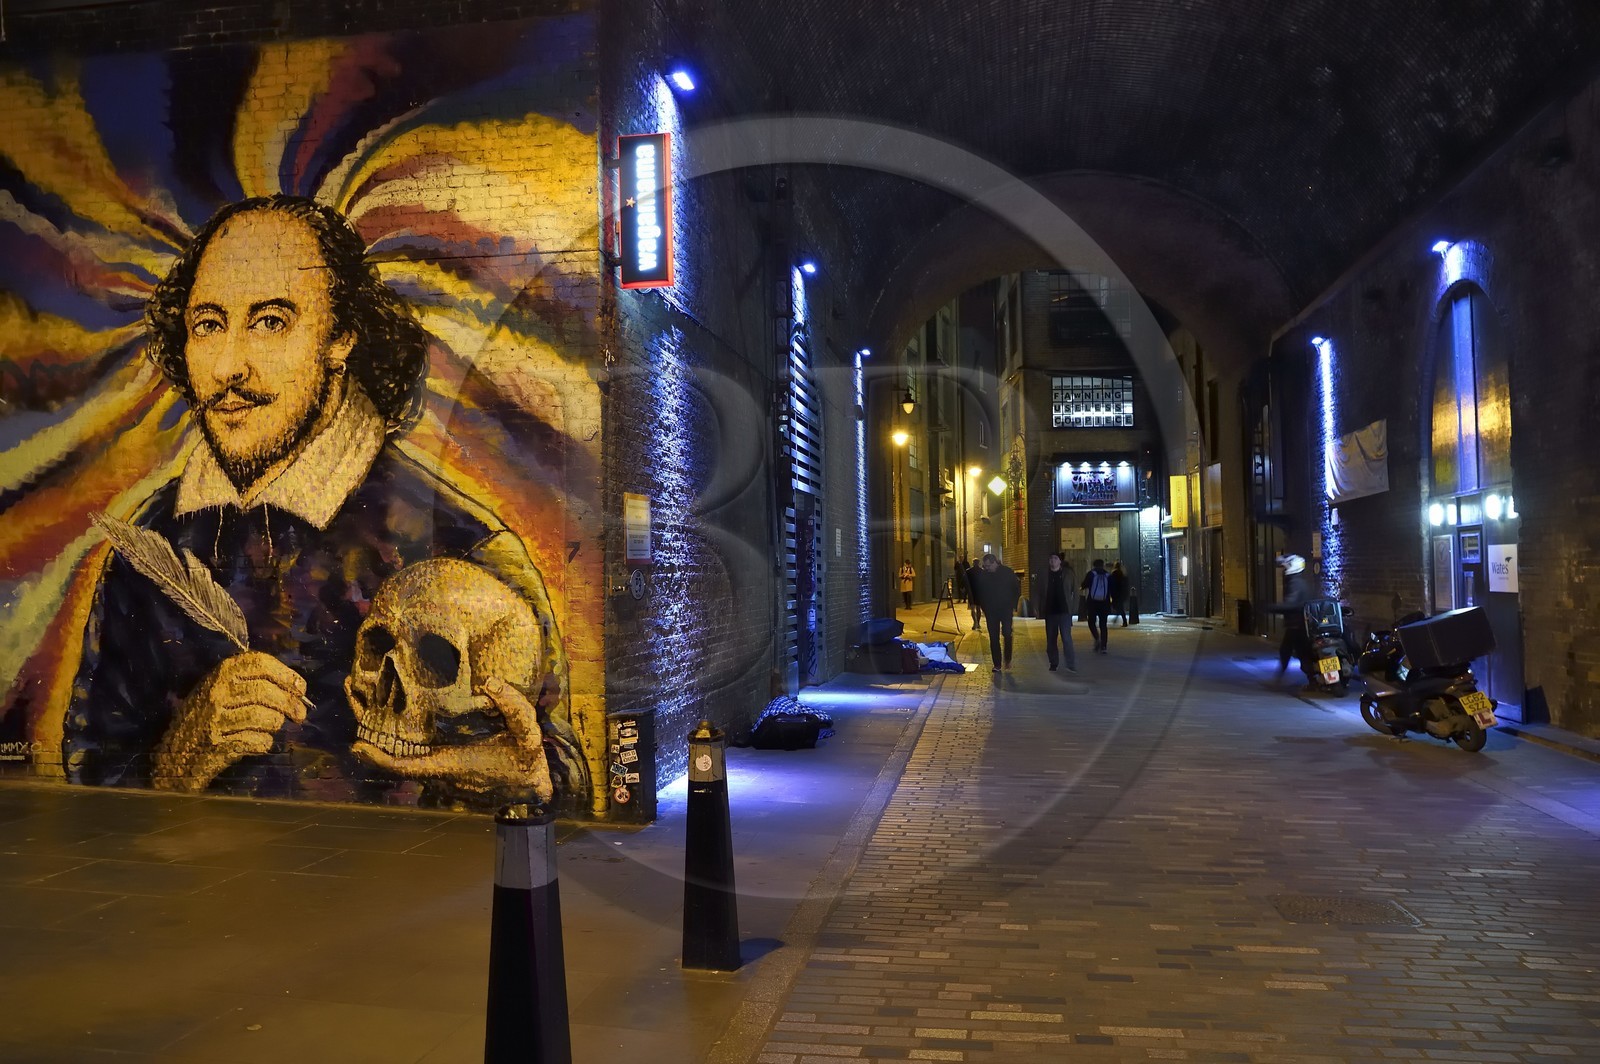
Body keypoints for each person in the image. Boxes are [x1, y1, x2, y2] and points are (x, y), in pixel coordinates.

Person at [65, 195, 587, 808]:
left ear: (341, 337)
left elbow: (560, 778)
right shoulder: (147, 548)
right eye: (208, 324)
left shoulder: (464, 544)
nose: (230, 364)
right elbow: (89, 783)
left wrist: (531, 785)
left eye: (271, 321)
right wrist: (186, 751)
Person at [1267, 553, 1316, 683]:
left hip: (1297, 624)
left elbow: (1291, 603)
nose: (1284, 569)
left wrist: (1271, 608)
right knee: (1289, 650)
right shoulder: (1301, 581)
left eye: (1285, 566)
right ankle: (1309, 679)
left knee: (1299, 652)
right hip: (1300, 623)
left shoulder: (1294, 583)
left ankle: (1312, 679)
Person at [973, 553, 1020, 672]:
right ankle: (997, 664)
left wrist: (1013, 605)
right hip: (991, 611)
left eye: (988, 566)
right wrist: (984, 608)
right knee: (993, 637)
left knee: (1007, 633)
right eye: (985, 566)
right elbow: (980, 592)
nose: (986, 568)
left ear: (995, 563)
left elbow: (1016, 589)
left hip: (1005, 609)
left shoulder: (1007, 572)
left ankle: (1007, 659)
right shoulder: (984, 575)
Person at [1036, 552, 1077, 672]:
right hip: (1050, 612)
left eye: (1055, 558)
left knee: (1066, 638)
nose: (1052, 561)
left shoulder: (1068, 574)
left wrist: (1074, 608)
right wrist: (1037, 606)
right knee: (1051, 639)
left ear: (1060, 561)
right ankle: (1053, 662)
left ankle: (1070, 663)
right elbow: (1038, 592)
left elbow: (1075, 591)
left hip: (1064, 611)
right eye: (1051, 559)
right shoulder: (1044, 575)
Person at [1080, 558, 1113, 654]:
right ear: (1102, 565)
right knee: (1103, 625)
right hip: (1104, 602)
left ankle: (1096, 637)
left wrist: (1082, 587)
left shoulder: (1091, 574)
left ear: (1094, 565)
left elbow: (1084, 584)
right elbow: (1113, 588)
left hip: (1092, 602)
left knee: (1091, 622)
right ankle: (1103, 646)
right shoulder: (1108, 575)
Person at [968, 556, 986, 632]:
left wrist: (963, 589)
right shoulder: (982, 571)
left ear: (973, 563)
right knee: (978, 608)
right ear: (979, 563)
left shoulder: (969, 571)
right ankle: (977, 623)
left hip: (971, 592)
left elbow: (965, 581)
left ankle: (974, 622)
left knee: (972, 608)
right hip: (979, 592)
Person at [1109, 561, 1130, 626]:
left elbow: (1112, 583)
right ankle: (1122, 620)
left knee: (1116, 606)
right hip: (1121, 593)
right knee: (1119, 606)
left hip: (1115, 592)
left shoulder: (1114, 573)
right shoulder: (1122, 574)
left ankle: (1121, 620)